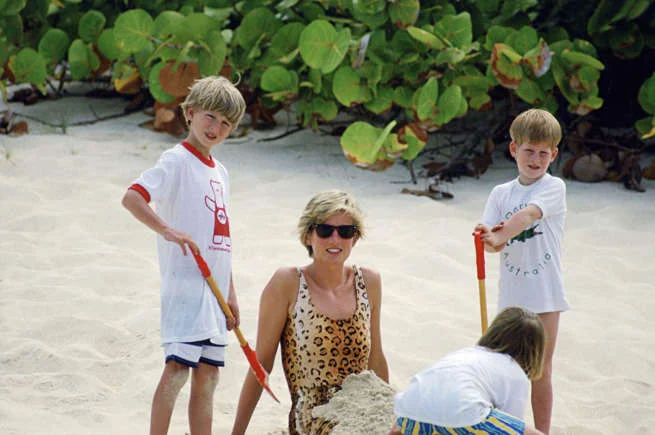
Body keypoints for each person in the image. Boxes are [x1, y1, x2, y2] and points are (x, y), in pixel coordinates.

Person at [122, 75, 246, 435]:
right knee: (177, 369)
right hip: (185, 288)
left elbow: (221, 239)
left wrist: (231, 294)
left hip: (215, 290)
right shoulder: (175, 160)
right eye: (210, 117)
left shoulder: (220, 172)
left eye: (226, 123)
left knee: (209, 375)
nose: (216, 128)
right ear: (190, 113)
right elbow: (132, 196)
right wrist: (167, 230)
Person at [231, 190, 390, 435]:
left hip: (362, 411)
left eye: (346, 232)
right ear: (308, 236)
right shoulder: (287, 283)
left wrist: (388, 415)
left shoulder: (369, 281)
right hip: (313, 417)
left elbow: (376, 358)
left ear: (355, 238)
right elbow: (261, 365)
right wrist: (237, 433)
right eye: (325, 230)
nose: (335, 240)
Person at [473, 108, 568, 434]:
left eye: (544, 153)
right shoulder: (500, 193)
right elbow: (491, 237)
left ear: (553, 155)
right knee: (504, 367)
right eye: (529, 150)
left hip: (545, 294)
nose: (536, 158)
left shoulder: (553, 188)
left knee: (540, 369)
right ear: (514, 149)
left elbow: (528, 216)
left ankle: (542, 431)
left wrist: (500, 233)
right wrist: (487, 236)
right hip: (511, 298)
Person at [389, 306, 546, 435]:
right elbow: (511, 425)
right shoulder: (516, 373)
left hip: (409, 412)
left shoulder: (468, 353)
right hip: (464, 415)